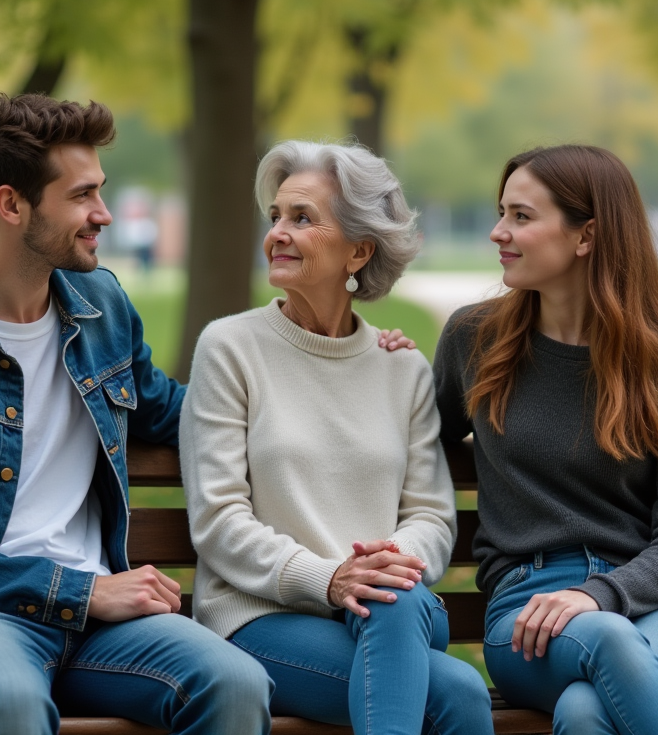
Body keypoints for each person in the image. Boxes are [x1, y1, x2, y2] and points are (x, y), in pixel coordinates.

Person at [0, 93, 273, 735]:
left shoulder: (99, 306)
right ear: (11, 204)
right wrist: (84, 592)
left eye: (99, 191)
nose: (103, 214)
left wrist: (332, 377)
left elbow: (179, 412)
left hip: (98, 623)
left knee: (235, 683)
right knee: (12, 707)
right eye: (81, 196)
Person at [180, 140, 494, 735]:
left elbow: (430, 514)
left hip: (385, 611)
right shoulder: (230, 348)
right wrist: (327, 578)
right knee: (457, 693)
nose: (277, 232)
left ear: (359, 250)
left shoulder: (401, 368)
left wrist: (387, 566)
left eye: (302, 218)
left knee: (394, 603)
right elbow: (219, 519)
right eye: (275, 217)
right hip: (259, 614)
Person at [433, 144, 658, 735]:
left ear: (585, 236)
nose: (498, 232)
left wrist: (599, 594)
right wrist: (379, 361)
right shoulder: (474, 341)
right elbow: (411, 443)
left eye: (521, 216)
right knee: (606, 645)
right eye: (501, 212)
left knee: (586, 711)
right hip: (525, 614)